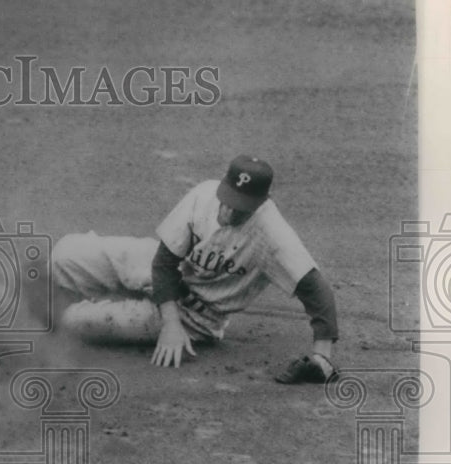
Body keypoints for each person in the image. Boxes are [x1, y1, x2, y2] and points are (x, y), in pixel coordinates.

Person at [51, 156, 339, 382]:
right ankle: (35, 291)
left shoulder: (273, 236)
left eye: (241, 208)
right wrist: (169, 322)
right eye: (228, 201)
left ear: (260, 204)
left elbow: (318, 292)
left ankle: (51, 313)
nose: (229, 211)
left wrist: (321, 358)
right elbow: (163, 264)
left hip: (197, 316)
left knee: (71, 322)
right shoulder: (203, 195)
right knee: (64, 255)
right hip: (163, 273)